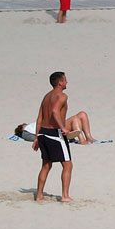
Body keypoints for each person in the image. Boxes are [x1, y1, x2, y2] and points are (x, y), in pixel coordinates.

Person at [32, 72, 75, 202]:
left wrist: (37, 137)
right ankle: (65, 196)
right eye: (65, 80)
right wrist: (63, 128)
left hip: (42, 133)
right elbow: (55, 111)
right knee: (67, 165)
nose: (67, 82)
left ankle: (39, 195)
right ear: (60, 82)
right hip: (55, 134)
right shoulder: (62, 96)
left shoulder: (46, 96)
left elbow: (39, 118)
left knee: (46, 165)